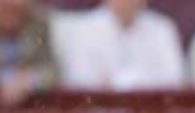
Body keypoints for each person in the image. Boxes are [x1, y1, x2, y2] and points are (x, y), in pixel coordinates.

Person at [60, 0, 188, 90]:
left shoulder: (162, 28)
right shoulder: (84, 29)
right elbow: (79, 81)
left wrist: (126, 82)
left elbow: (175, 80)